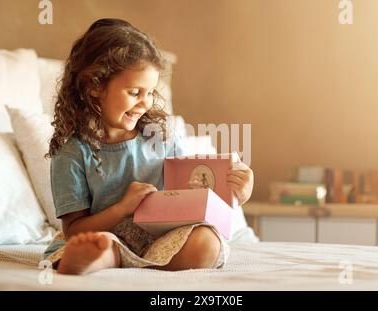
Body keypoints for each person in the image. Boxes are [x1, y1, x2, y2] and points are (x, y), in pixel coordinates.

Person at [43, 18, 254, 275]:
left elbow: (188, 200)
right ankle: (103, 259)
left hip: (160, 239)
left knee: (207, 242)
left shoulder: (162, 136)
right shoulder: (72, 153)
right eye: (134, 93)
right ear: (95, 86)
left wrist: (233, 196)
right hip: (108, 236)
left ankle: (130, 264)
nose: (145, 103)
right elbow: (74, 229)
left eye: (150, 92)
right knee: (102, 247)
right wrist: (122, 208)